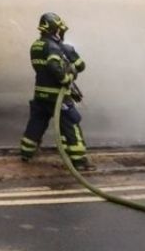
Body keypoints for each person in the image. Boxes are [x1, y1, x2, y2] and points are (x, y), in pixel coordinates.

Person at [18, 12, 92, 170]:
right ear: (53, 29)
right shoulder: (54, 47)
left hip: (40, 95)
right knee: (71, 125)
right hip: (56, 96)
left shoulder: (37, 45)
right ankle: (79, 161)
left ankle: (26, 152)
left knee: (36, 124)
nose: (61, 33)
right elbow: (54, 66)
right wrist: (67, 79)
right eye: (59, 30)